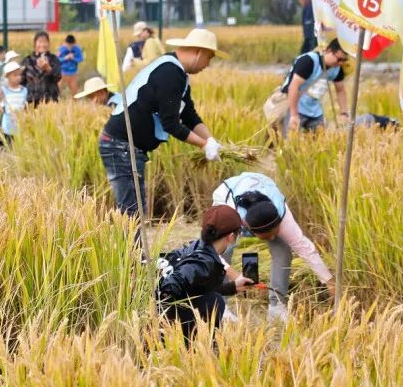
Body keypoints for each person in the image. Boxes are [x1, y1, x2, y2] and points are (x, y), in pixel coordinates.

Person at [99, 28, 226, 219]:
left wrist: (210, 139)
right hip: (120, 145)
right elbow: (171, 124)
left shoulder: (177, 73)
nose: (207, 64)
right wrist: (203, 145)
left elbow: (189, 115)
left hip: (126, 146)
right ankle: (128, 250)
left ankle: (133, 249)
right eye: (209, 57)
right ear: (198, 52)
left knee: (134, 212)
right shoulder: (170, 73)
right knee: (131, 214)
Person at [212, 172, 335, 322]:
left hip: (263, 186)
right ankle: (220, 306)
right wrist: (235, 276)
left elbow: (305, 248)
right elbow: (212, 253)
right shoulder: (228, 216)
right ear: (249, 229)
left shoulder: (282, 215)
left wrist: (328, 281)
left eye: (274, 232)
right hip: (229, 192)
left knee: (282, 250)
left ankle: (277, 307)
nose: (271, 238)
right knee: (224, 250)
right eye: (265, 236)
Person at [156, 205, 256, 343]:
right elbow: (169, 288)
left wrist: (232, 287)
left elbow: (194, 286)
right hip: (154, 318)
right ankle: (192, 347)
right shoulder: (204, 263)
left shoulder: (196, 246)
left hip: (143, 299)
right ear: (231, 237)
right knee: (214, 302)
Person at [280, 39, 350, 138]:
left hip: (315, 111)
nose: (341, 63)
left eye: (344, 60)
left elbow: (340, 90)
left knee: (320, 143)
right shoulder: (309, 61)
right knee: (290, 142)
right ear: (328, 51)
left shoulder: (337, 69)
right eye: (339, 59)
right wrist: (294, 115)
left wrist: (344, 113)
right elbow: (293, 87)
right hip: (295, 107)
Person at [0, 61, 27, 146]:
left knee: (18, 146)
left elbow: (25, 105)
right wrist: (1, 109)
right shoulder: (4, 90)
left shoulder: (24, 90)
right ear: (8, 76)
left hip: (20, 123)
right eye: (15, 75)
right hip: (7, 124)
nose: (18, 77)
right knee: (6, 145)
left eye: (19, 75)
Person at [22, 32, 62, 105]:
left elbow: (58, 77)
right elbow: (21, 81)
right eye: (40, 42)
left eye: (45, 42)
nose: (42, 44)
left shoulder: (53, 59)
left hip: (50, 100)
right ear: (35, 44)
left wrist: (48, 68)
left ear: (49, 44)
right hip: (31, 100)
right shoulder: (27, 60)